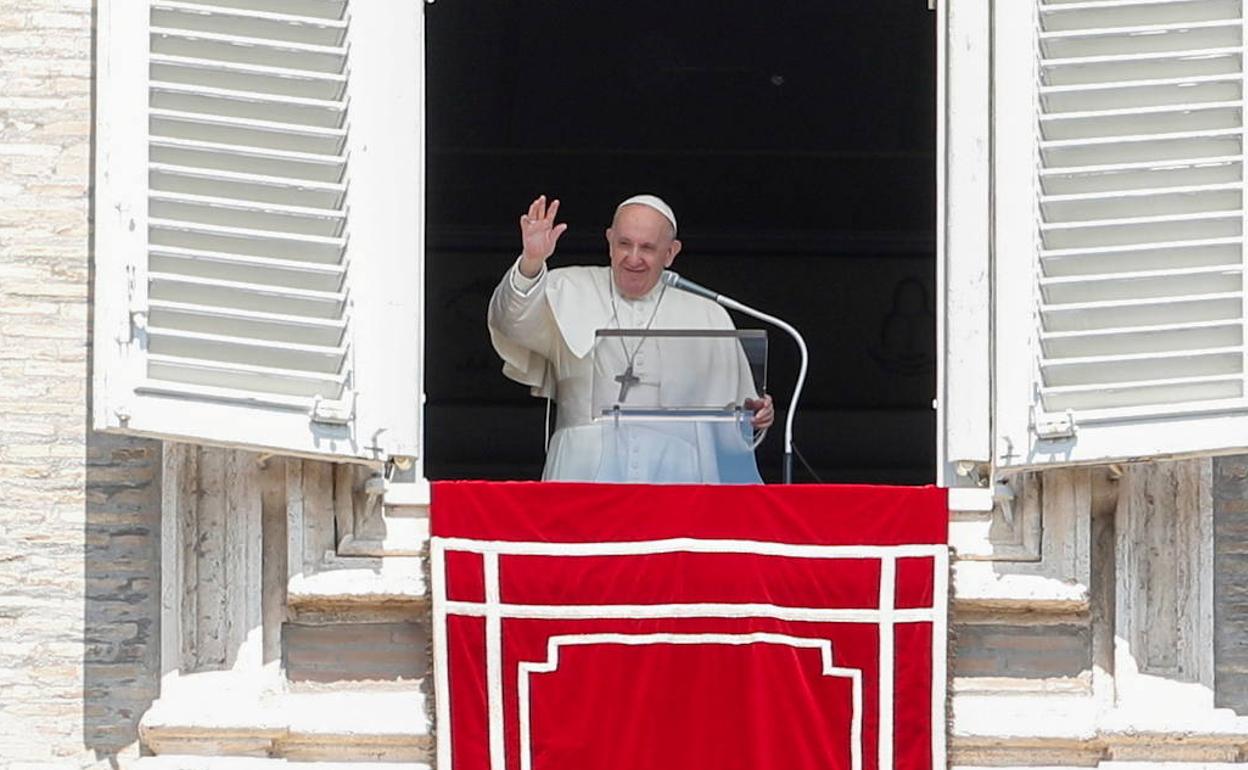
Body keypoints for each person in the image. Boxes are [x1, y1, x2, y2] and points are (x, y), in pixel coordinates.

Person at [488, 194, 775, 481]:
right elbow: (510, 322)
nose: (633, 258)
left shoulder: (707, 315)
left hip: (677, 474)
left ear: (671, 253)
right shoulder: (566, 288)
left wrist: (756, 417)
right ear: (609, 241)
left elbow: (734, 429)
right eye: (624, 244)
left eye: (648, 247)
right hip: (582, 469)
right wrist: (531, 262)